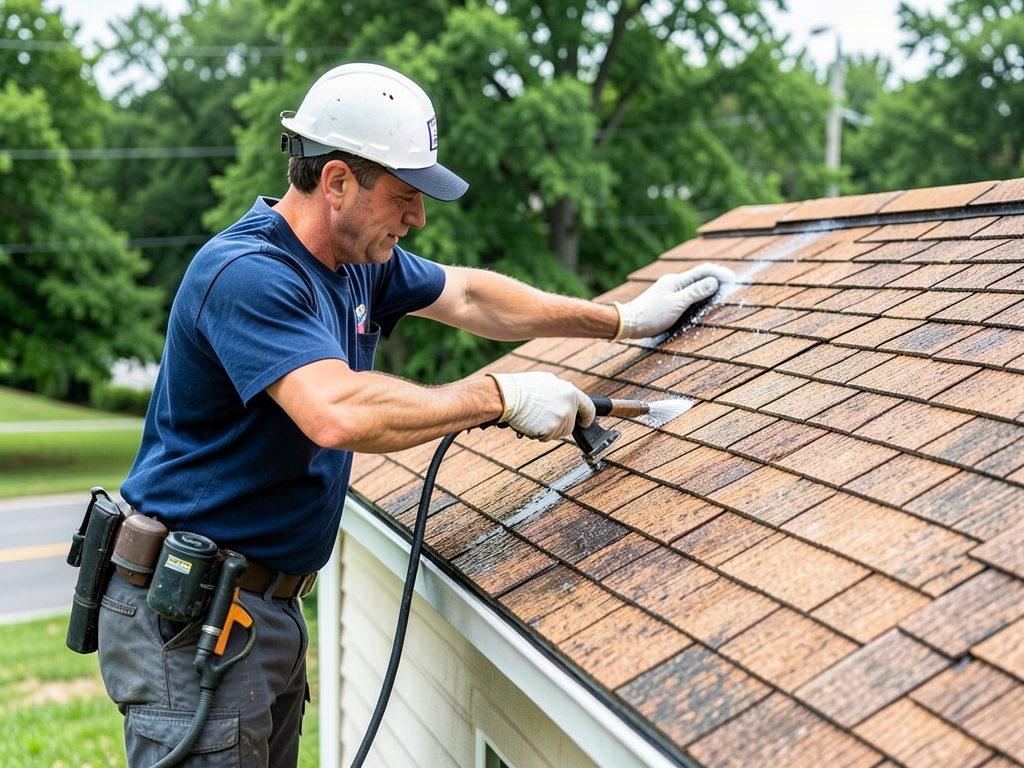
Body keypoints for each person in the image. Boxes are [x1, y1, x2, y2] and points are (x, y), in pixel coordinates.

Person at [95, 61, 730, 767]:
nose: (419, 216)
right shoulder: (248, 274)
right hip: (194, 622)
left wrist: (621, 319)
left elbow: (469, 297)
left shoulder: (355, 260)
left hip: (257, 612)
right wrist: (499, 397)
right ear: (336, 181)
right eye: (404, 195)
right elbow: (334, 410)